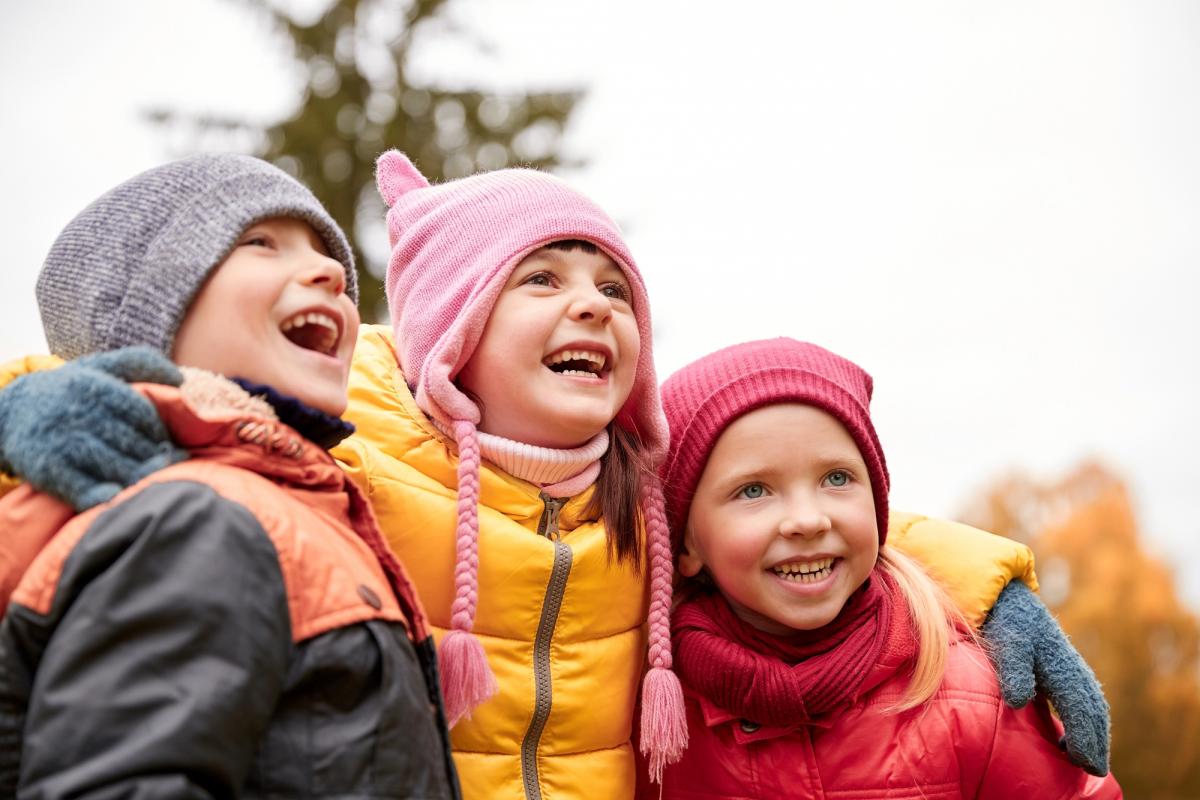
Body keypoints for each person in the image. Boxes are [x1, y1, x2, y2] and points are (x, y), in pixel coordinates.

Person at [0, 152, 1109, 799]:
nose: (592, 303)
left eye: (614, 287)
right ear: (452, 332)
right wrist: (51, 393)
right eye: (542, 277)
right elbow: (182, 373)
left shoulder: (649, 501)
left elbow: (797, 494)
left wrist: (978, 578)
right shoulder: (355, 441)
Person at [0, 154, 459, 798]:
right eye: (260, 244)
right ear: (148, 317)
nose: (330, 270)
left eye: (326, 252)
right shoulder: (198, 520)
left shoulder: (294, 509)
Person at [636, 337, 1121, 798]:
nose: (808, 519)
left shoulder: (970, 691)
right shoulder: (643, 711)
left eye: (837, 478)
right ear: (686, 541)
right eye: (754, 490)